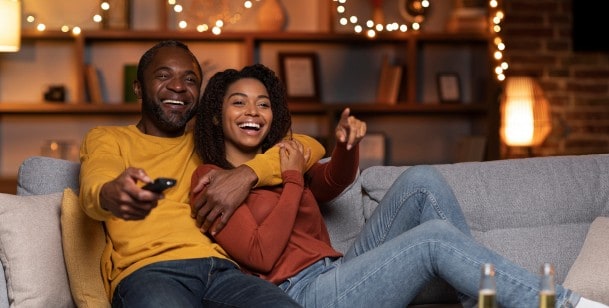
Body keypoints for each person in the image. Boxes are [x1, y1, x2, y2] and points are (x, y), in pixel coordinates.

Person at [191, 63, 608, 308]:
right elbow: (261, 256)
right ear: (216, 116)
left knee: (421, 180)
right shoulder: (210, 180)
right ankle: (564, 304)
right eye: (239, 102)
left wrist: (344, 146)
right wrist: (292, 177)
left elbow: (333, 181)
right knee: (433, 240)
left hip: (339, 268)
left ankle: (479, 299)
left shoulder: (283, 157)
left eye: (263, 103)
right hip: (303, 294)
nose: (253, 111)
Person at [78, 40, 327, 307]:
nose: (178, 86)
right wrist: (111, 194)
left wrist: (247, 174)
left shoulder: (208, 141)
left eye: (190, 79)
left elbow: (307, 146)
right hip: (151, 271)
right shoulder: (108, 138)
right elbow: (97, 180)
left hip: (223, 271)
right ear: (138, 88)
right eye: (163, 75)